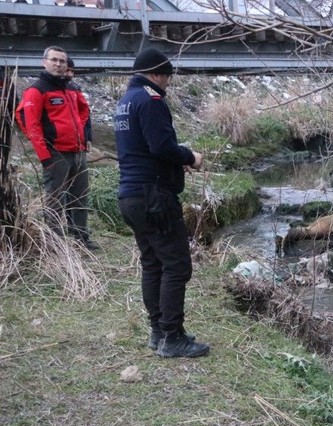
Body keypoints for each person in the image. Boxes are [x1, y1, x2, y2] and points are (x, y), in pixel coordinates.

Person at [115, 47, 209, 358]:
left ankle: (159, 332)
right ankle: (173, 337)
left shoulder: (126, 102)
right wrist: (190, 157)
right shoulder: (150, 99)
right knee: (176, 266)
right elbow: (161, 146)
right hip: (154, 197)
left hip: (131, 195)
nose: (168, 83)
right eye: (167, 77)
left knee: (153, 263)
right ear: (157, 74)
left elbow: (144, 148)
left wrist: (170, 160)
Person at [15, 46, 97, 249]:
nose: (59, 64)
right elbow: (28, 121)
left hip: (78, 152)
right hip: (56, 153)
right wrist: (45, 155)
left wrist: (84, 136)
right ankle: (55, 244)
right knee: (55, 200)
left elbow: (83, 110)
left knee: (80, 196)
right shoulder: (36, 90)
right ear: (45, 62)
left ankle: (80, 238)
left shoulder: (70, 88)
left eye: (62, 61)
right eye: (54, 60)